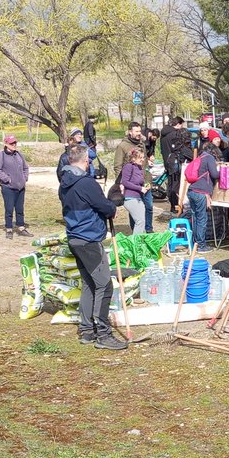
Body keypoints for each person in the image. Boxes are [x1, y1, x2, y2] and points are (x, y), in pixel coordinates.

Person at [59, 144, 128, 350]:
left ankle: (87, 331)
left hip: (75, 237)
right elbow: (104, 206)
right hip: (88, 240)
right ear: (86, 161)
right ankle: (103, 335)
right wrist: (114, 205)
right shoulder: (86, 183)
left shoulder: (65, 182)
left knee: (89, 284)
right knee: (104, 285)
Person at [186, 141, 222, 253]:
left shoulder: (200, 157)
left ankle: (195, 243)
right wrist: (223, 172)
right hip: (201, 193)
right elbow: (215, 174)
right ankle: (201, 245)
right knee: (202, 219)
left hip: (192, 190)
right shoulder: (209, 158)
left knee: (196, 218)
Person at [0, 135, 30, 239]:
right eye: (11, 143)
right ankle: (9, 228)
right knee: (9, 209)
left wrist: (24, 178)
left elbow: (25, 168)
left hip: (20, 187)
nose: (14, 145)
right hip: (8, 187)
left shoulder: (19, 154)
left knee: (20, 208)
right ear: (6, 144)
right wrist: (8, 179)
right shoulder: (1, 155)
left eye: (15, 143)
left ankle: (21, 227)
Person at [161, 117, 193, 213]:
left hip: (169, 161)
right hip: (178, 162)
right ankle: (178, 206)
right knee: (178, 185)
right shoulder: (175, 135)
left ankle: (173, 206)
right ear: (178, 124)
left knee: (171, 184)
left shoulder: (164, 134)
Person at [117, 147, 149, 233]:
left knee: (142, 222)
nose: (142, 159)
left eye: (143, 157)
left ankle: (141, 243)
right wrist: (140, 188)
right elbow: (125, 182)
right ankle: (135, 244)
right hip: (130, 198)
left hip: (138, 198)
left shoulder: (139, 168)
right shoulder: (128, 166)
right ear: (133, 158)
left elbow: (138, 182)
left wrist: (145, 186)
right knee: (140, 221)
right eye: (140, 157)